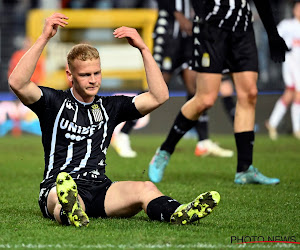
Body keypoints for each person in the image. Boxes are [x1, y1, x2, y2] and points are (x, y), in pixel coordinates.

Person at [8, 13, 220, 227]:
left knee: (145, 188)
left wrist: (144, 49)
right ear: (70, 76)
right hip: (57, 185)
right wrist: (44, 37)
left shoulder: (110, 106)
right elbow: (17, 82)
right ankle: (71, 210)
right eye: (85, 75)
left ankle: (179, 212)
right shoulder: (53, 102)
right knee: (60, 196)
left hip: (100, 188)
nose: (93, 80)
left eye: (97, 73)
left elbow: (159, 96)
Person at [148, 0, 289, 184]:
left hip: (242, 28)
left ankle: (244, 169)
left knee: (250, 94)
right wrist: (202, 15)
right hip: (212, 28)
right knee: (205, 99)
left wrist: (273, 33)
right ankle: (164, 151)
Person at [112, 0, 234, 158]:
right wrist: (179, 16)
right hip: (169, 32)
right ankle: (123, 134)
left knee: (194, 87)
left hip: (189, 34)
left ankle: (203, 141)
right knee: (157, 86)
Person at [265, 0, 300, 140]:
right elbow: (274, 36)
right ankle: (297, 129)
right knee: (297, 94)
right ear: (294, 10)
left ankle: (272, 123)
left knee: (289, 93)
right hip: (291, 64)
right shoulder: (287, 25)